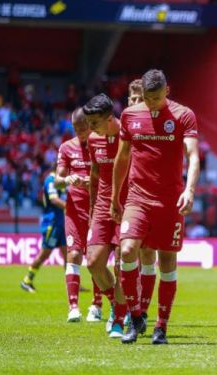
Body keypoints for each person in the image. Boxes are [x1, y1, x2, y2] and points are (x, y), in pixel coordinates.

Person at [111, 69, 200, 345]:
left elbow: (193, 155)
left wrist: (189, 189)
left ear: (167, 91)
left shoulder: (183, 116)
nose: (151, 103)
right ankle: (136, 317)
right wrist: (116, 197)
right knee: (127, 249)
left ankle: (161, 326)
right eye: (148, 98)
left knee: (167, 263)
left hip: (170, 202)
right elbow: (122, 157)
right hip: (137, 198)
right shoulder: (130, 115)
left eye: (157, 98)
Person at [83, 93, 130, 338]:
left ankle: (120, 319)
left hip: (128, 205)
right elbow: (94, 175)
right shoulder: (93, 140)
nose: (89, 128)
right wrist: (92, 210)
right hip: (102, 207)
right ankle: (116, 303)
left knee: (123, 266)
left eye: (94, 123)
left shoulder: (128, 134)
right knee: (93, 263)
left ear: (109, 118)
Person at [54, 108, 98, 323]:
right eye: (77, 129)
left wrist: (91, 182)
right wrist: (68, 179)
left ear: (91, 124)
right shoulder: (66, 148)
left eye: (84, 128)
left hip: (98, 208)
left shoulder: (101, 144)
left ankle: (97, 305)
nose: (81, 133)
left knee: (94, 259)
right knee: (73, 255)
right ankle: (73, 307)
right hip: (74, 209)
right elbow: (57, 179)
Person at [127, 79, 159, 322]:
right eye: (133, 99)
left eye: (141, 99)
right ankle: (120, 311)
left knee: (147, 255)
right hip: (124, 199)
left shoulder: (153, 127)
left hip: (147, 199)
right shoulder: (122, 125)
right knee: (124, 253)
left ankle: (141, 312)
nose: (137, 104)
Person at [20, 168, 66, 293]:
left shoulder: (61, 180)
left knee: (69, 255)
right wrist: (70, 207)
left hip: (62, 223)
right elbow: (54, 199)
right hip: (53, 223)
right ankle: (27, 280)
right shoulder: (51, 180)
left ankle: (73, 285)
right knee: (44, 254)